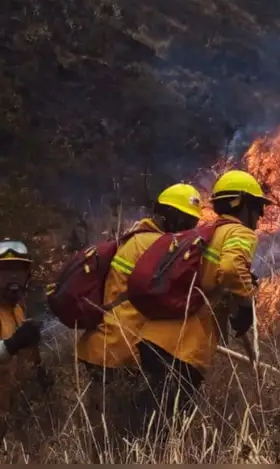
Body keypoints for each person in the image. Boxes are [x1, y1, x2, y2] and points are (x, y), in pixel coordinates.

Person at [134, 170, 269, 433]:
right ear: (240, 204)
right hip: (184, 347)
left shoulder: (204, 232)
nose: (261, 216)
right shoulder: (240, 233)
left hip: (154, 336)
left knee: (149, 418)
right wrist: (245, 305)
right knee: (165, 428)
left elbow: (210, 276)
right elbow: (230, 269)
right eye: (257, 207)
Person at [74, 183, 202, 439]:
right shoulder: (156, 245)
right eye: (184, 219)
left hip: (102, 345)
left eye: (191, 222)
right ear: (166, 215)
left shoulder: (137, 237)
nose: (188, 227)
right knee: (121, 433)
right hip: (120, 349)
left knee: (103, 430)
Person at [0, 240, 47, 440]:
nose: (12, 276)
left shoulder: (17, 310)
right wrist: (12, 344)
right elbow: (11, 347)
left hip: (10, 419)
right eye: (5, 270)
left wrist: (39, 372)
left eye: (18, 270)